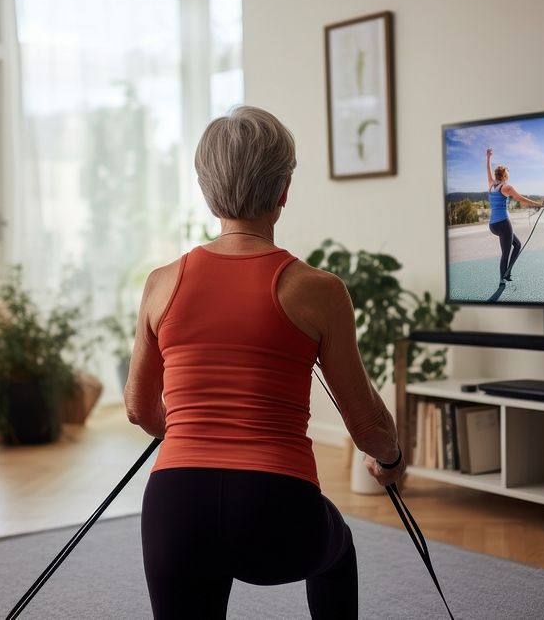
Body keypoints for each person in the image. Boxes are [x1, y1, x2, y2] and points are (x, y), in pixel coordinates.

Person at [125, 105, 405, 619]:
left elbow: (140, 410)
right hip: (275, 509)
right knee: (336, 551)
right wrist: (389, 461)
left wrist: (193, 435)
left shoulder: (161, 283)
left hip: (174, 510)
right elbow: (365, 423)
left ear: (208, 191)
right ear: (283, 191)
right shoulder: (317, 290)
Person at [486, 147, 544, 285]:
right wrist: (539, 204)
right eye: (507, 174)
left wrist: (488, 157)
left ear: (496, 176)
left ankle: (507, 273)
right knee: (505, 253)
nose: (508, 176)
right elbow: (521, 199)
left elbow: (488, 170)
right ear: (505, 176)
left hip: (493, 225)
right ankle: (502, 279)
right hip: (503, 224)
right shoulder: (506, 187)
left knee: (517, 245)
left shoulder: (491, 184)